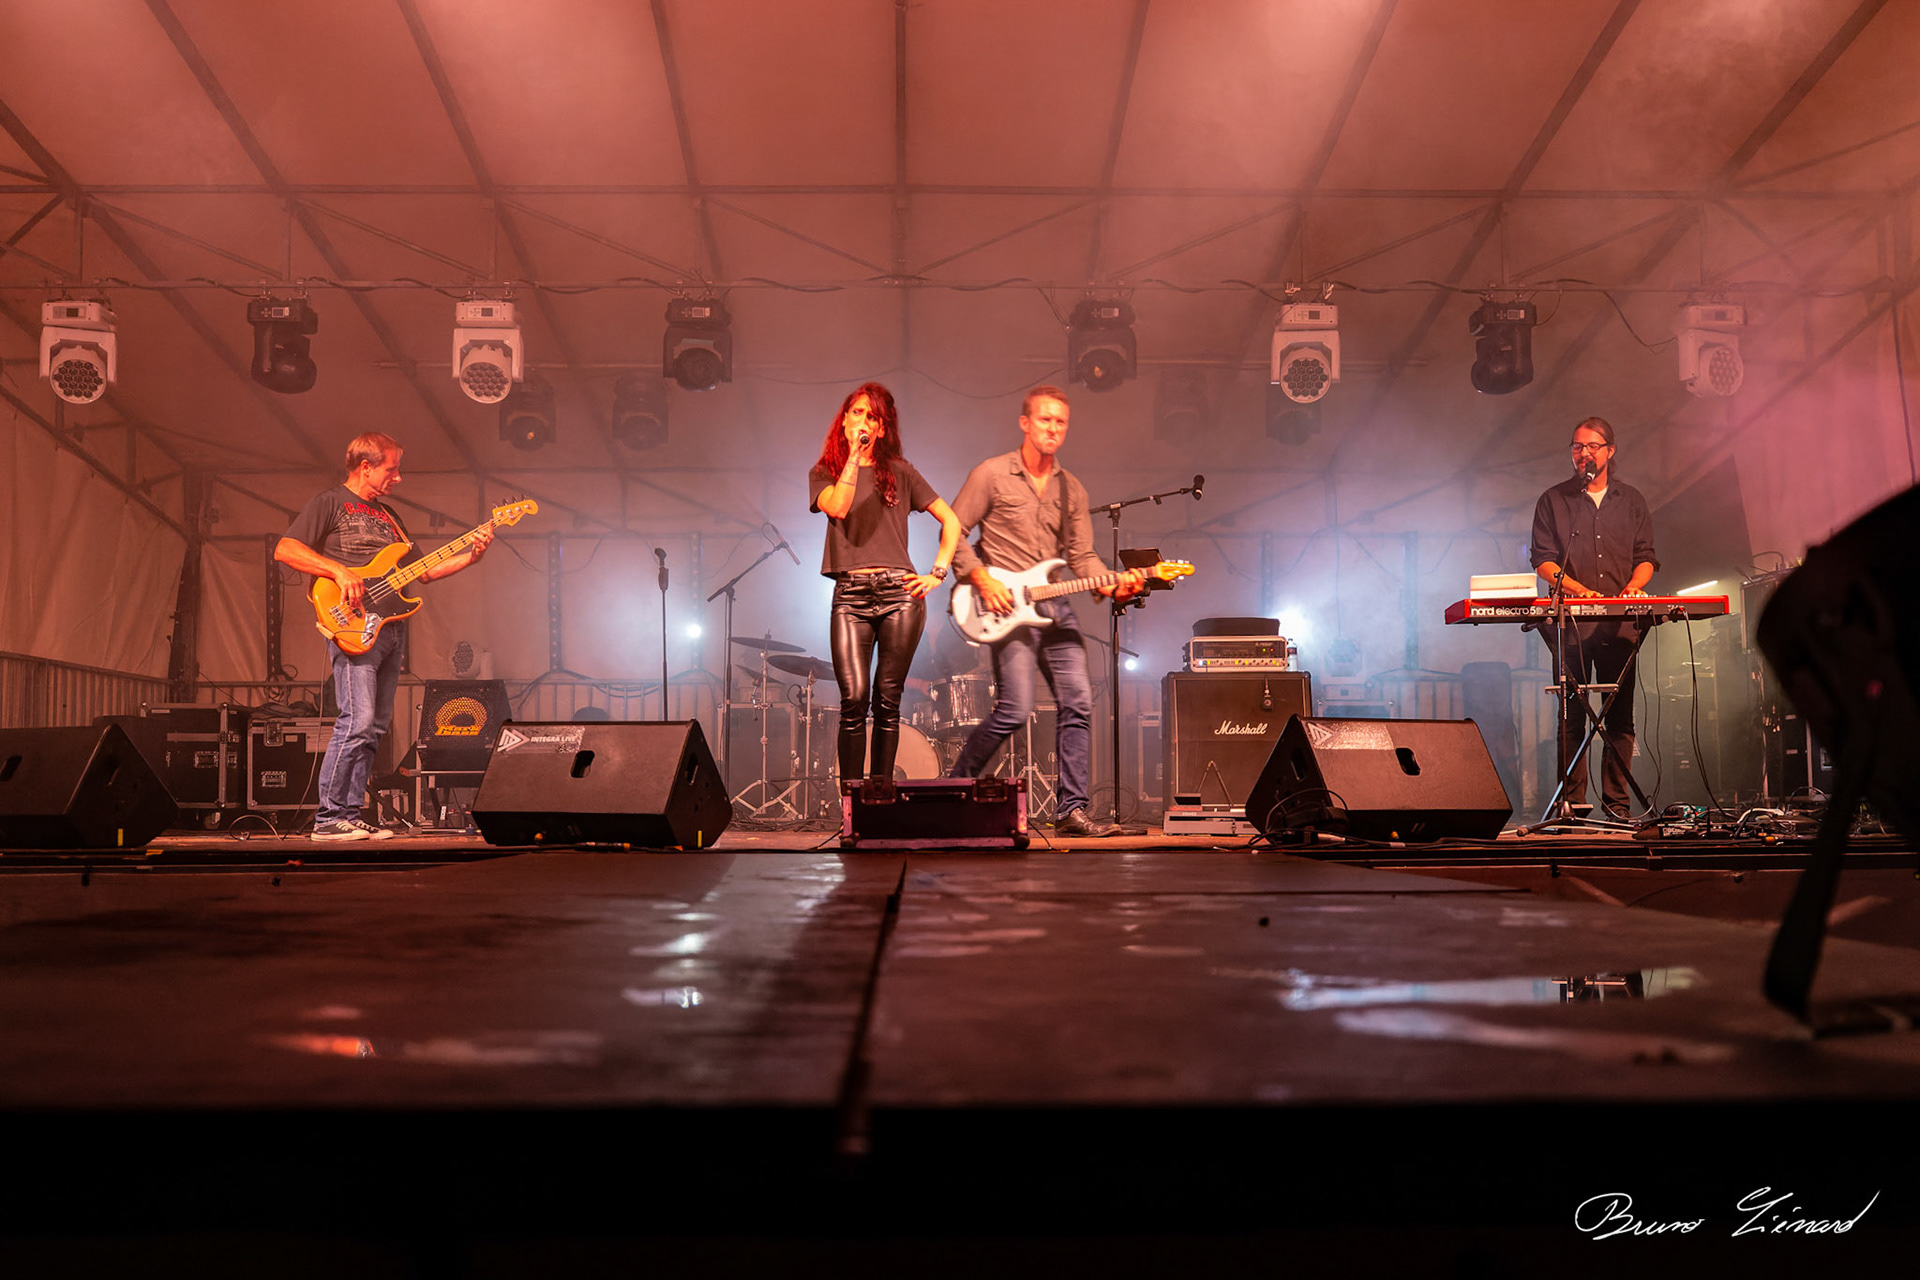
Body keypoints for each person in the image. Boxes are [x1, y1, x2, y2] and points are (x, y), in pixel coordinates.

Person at [944, 386, 1144, 838]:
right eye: (1045, 420)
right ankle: (953, 788)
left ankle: (1071, 809)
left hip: (1055, 607)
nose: (1053, 428)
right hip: (1004, 604)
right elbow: (953, 528)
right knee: (1014, 710)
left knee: (1077, 703)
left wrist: (1113, 582)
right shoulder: (992, 474)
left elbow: (1083, 557)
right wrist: (981, 577)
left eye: (1061, 423)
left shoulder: (1071, 488)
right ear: (1025, 423)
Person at [276, 433, 493, 841]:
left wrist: (472, 555)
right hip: (352, 623)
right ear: (366, 467)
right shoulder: (330, 502)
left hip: (391, 628)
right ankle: (327, 818)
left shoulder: (390, 516)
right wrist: (339, 571)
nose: (398, 477)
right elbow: (286, 549)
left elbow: (423, 572)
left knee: (375, 726)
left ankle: (350, 811)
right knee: (355, 721)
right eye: (391, 468)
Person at [809, 383, 963, 785]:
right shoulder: (824, 472)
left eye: (872, 417)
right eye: (857, 413)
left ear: (881, 429)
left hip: (900, 595)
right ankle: (851, 806)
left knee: (887, 702)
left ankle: (880, 798)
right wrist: (854, 461)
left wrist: (937, 572)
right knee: (854, 699)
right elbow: (838, 507)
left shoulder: (901, 472)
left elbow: (952, 520)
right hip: (850, 595)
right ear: (844, 421)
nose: (863, 421)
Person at [1529, 415, 1659, 820]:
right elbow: (1543, 561)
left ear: (1609, 451)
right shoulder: (1553, 500)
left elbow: (1647, 558)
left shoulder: (1632, 500)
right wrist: (1576, 590)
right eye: (1576, 446)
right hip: (1573, 626)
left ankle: (1617, 807)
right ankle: (1572, 806)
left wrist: (1635, 587)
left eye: (1591, 446)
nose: (1583, 453)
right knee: (1572, 715)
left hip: (1622, 625)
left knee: (1619, 718)